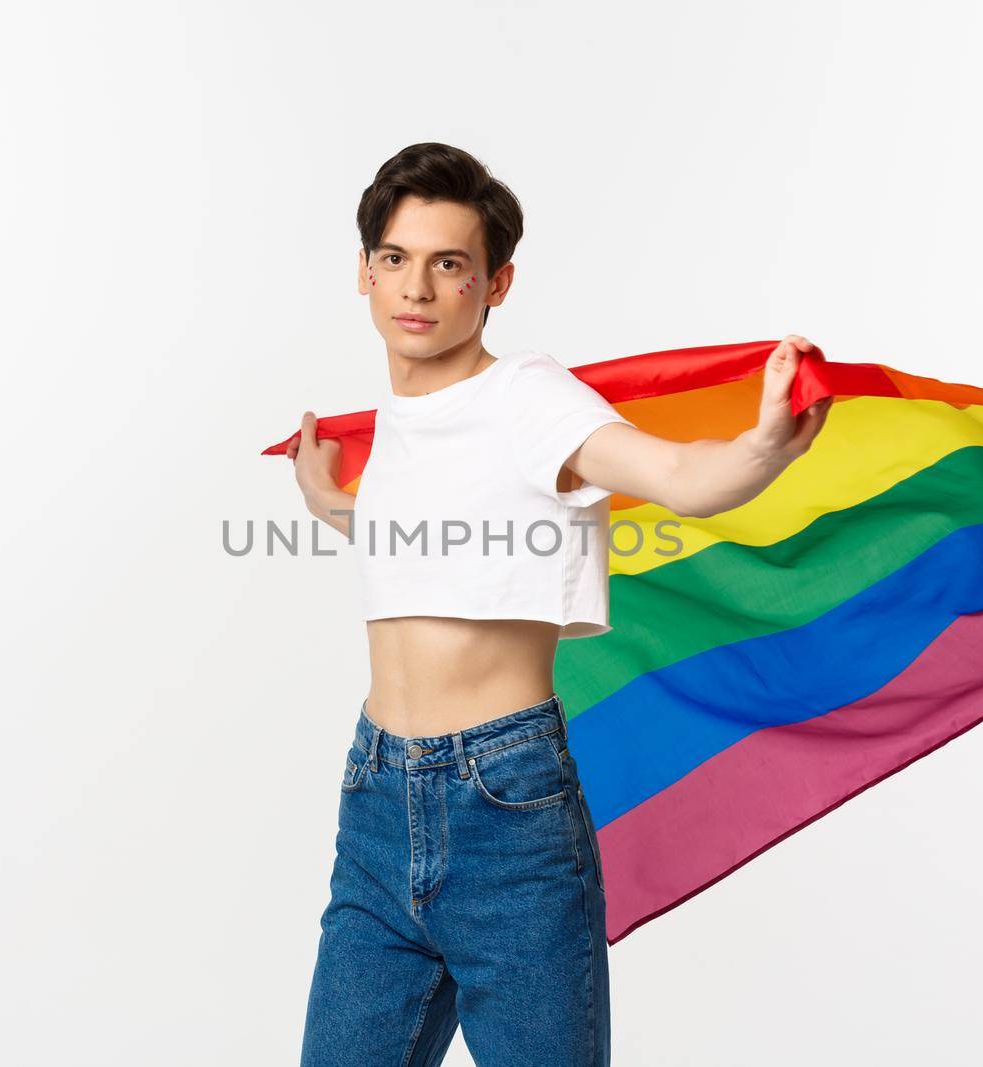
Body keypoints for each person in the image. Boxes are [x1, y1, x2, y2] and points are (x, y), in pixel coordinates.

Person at [287, 142, 830, 1066]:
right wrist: (335, 503)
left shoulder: (529, 398)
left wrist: (765, 448)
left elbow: (672, 473)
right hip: (375, 802)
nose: (416, 287)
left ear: (494, 284)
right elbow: (438, 545)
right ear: (365, 272)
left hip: (506, 812)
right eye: (396, 258)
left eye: (448, 264)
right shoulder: (398, 428)